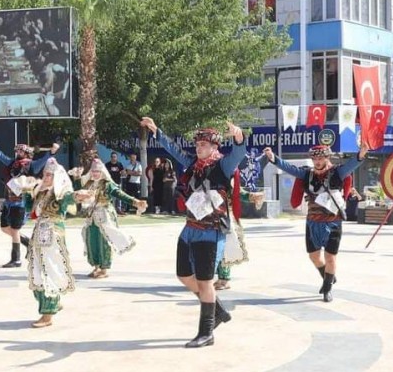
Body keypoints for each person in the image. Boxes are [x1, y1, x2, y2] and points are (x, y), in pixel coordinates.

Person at [141, 117, 245, 348]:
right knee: (184, 275)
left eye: (204, 145)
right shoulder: (192, 164)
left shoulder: (222, 166)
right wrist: (157, 131)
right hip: (190, 228)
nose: (199, 148)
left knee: (205, 281)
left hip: (210, 231)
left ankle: (206, 332)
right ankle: (217, 310)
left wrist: (239, 138)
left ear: (215, 147)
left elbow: (238, 155)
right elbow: (174, 150)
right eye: (197, 144)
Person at [263, 143, 368, 303]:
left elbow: (351, 165)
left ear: (327, 157)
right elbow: (289, 168)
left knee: (330, 258)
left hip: (333, 222)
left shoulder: (337, 173)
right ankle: (328, 277)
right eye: (315, 158)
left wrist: (361, 154)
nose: (317, 161)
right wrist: (273, 158)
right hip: (312, 222)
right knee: (313, 256)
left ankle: (327, 289)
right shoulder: (306, 174)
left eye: (321, 158)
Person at [14, 158, 91, 328]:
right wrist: (26, 191)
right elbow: (30, 210)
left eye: (49, 174)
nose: (46, 176)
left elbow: (71, 197)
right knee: (36, 269)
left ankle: (47, 313)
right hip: (39, 232)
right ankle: (53, 302)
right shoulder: (40, 192)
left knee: (49, 270)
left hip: (53, 233)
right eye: (45, 174)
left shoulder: (60, 192)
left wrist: (80, 194)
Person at [0, 138, 59, 268]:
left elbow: (44, 160)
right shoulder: (12, 163)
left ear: (27, 152)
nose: (19, 152)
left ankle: (16, 259)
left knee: (15, 230)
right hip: (8, 200)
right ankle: (29, 243)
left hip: (20, 202)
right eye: (18, 150)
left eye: (21, 150)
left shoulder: (32, 164)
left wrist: (52, 151)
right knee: (4, 228)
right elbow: (0, 156)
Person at [77, 159, 147, 279]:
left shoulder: (107, 184)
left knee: (104, 241)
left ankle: (104, 269)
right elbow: (78, 192)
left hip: (104, 215)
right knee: (91, 240)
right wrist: (78, 177)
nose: (95, 173)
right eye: (93, 171)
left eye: (97, 171)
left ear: (102, 172)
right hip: (91, 216)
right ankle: (96, 267)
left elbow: (120, 194)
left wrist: (135, 202)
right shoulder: (89, 184)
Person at [215, 188, 264, 291]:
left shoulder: (229, 181)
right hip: (213, 218)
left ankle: (225, 279)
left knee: (226, 249)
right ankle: (220, 277)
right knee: (217, 249)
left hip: (226, 219)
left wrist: (253, 196)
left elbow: (239, 193)